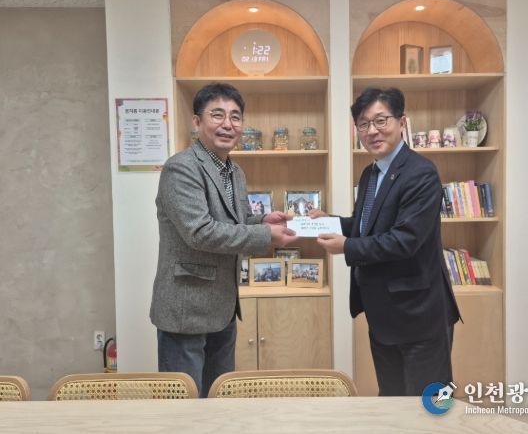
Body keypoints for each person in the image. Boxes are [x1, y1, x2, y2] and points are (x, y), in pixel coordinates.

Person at [150, 83, 297, 397]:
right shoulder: (181, 168)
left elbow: (234, 223)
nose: (228, 124)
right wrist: (264, 235)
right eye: (217, 115)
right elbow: (200, 232)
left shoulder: (235, 171)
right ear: (197, 122)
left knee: (219, 400)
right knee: (185, 406)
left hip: (223, 308)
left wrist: (263, 221)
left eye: (235, 116)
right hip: (186, 310)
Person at [312, 87, 460, 396]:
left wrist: (346, 247)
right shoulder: (371, 173)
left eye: (381, 120)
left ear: (401, 122)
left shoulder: (421, 173)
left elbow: (404, 240)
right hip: (383, 315)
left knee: (427, 406)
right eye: (363, 124)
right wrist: (328, 222)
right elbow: (366, 226)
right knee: (391, 401)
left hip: (418, 315)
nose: (372, 131)